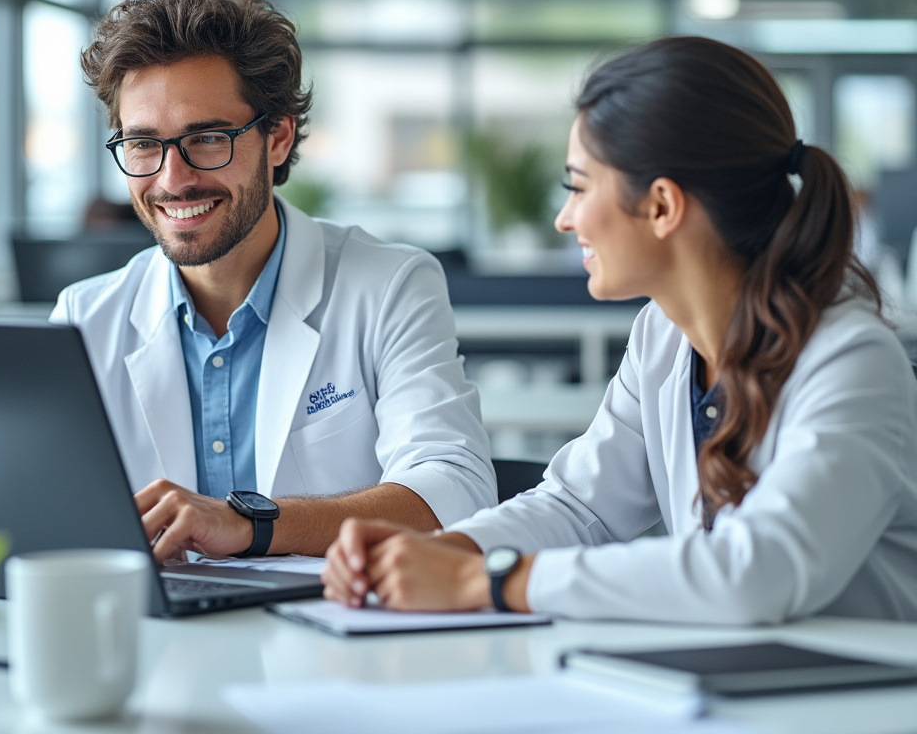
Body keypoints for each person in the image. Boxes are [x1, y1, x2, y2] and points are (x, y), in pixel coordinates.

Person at [323, 36, 917, 625]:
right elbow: (580, 507)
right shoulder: (663, 335)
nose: (564, 218)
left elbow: (756, 573)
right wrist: (445, 550)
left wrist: (488, 580)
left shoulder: (852, 360)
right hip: (737, 691)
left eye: (579, 187)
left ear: (661, 206)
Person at [50, 0, 495, 563]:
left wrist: (249, 524)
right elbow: (46, 514)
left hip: (336, 640)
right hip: (156, 642)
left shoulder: (389, 286)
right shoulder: (83, 318)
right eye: (142, 145)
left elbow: (455, 491)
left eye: (207, 138)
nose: (172, 179)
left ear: (277, 137)